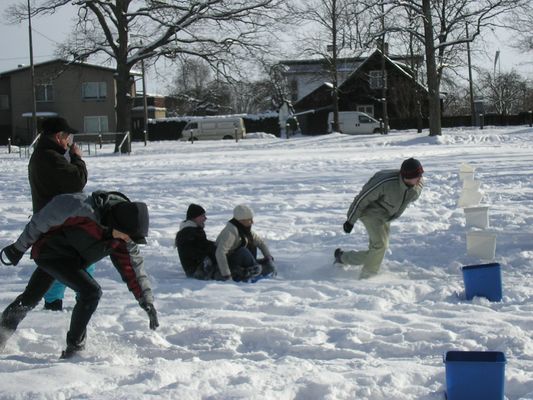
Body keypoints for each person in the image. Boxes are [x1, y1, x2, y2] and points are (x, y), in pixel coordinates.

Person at [0, 191, 159, 359]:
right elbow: (41, 221)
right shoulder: (81, 207)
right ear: (115, 223)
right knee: (90, 292)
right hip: (50, 253)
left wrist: (146, 300)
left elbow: (134, 268)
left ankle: (1, 334)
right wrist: (18, 248)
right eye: (127, 235)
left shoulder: (123, 239)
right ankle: (75, 349)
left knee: (29, 298)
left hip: (73, 261)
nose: (128, 239)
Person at [29, 116, 92, 311]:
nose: (69, 142)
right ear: (58, 136)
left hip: (56, 219)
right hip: (57, 221)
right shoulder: (49, 156)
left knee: (76, 261)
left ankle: (78, 298)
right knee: (67, 263)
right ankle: (56, 304)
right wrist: (77, 158)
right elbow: (77, 180)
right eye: (67, 137)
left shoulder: (45, 154)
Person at [335, 158, 424, 279]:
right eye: (417, 176)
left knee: (376, 252)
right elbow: (361, 199)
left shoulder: (417, 186)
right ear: (406, 177)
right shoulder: (385, 183)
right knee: (380, 246)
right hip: (370, 212)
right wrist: (350, 220)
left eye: (420, 175)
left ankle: (342, 257)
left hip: (386, 215)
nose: (420, 178)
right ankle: (367, 277)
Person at [215, 204, 277, 282]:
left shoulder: (244, 229)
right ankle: (254, 271)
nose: (252, 222)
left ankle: (255, 269)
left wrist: (268, 258)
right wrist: (227, 275)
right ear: (242, 220)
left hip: (237, 260)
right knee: (243, 252)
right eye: (250, 220)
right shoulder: (230, 232)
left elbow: (260, 243)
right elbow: (220, 253)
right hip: (228, 263)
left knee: (252, 245)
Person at [175, 204, 218, 280]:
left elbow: (203, 245)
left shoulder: (194, 230)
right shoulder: (188, 233)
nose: (205, 218)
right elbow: (197, 252)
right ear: (194, 217)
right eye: (202, 216)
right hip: (196, 271)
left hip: (197, 268)